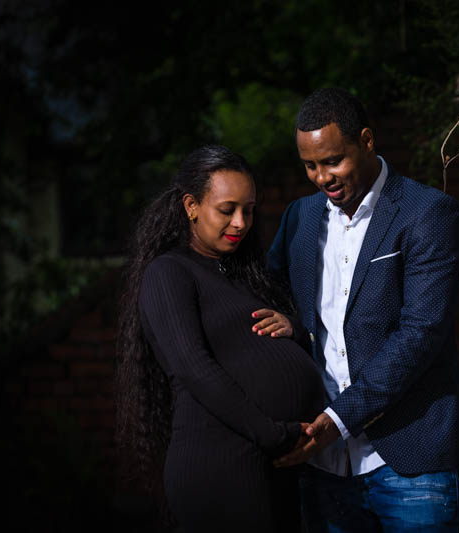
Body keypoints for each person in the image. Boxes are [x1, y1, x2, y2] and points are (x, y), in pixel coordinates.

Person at [264, 88, 459, 531]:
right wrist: (290, 324)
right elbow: (275, 294)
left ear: (367, 141)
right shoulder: (299, 216)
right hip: (323, 467)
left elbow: (420, 334)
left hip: (410, 457)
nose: (322, 177)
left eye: (333, 160)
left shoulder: (427, 213)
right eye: (310, 166)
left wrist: (338, 420)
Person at [116, 145, 324, 532]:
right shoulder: (169, 273)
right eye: (227, 210)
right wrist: (275, 435)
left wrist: (293, 327)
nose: (241, 222)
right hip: (222, 462)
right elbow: (194, 369)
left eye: (249, 209)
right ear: (191, 205)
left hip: (270, 464)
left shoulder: (243, 275)